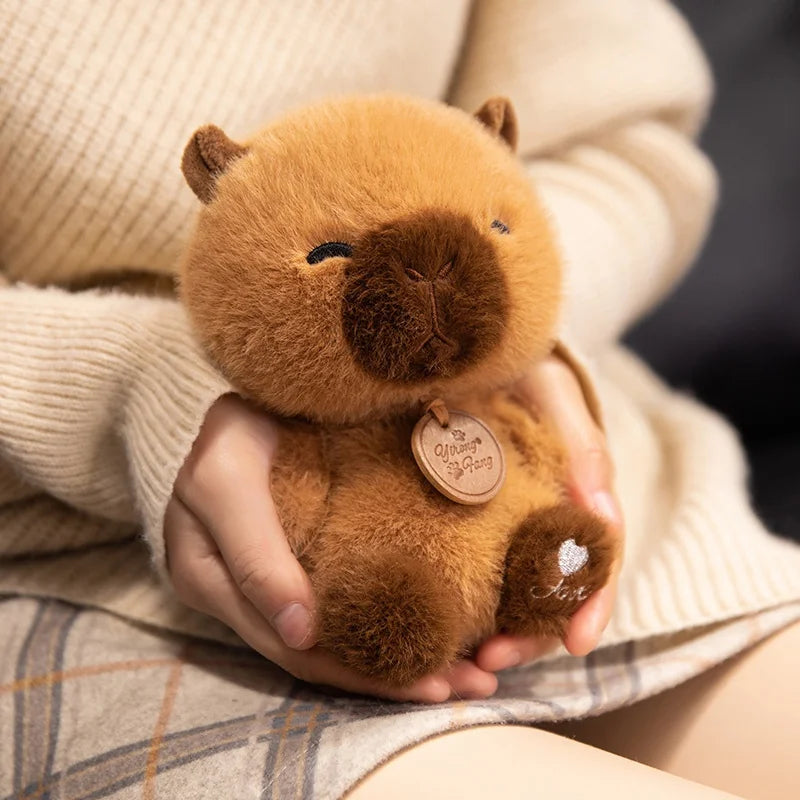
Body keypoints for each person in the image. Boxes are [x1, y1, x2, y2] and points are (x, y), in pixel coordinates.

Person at [1, 1, 798, 798]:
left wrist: (528, 331)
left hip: (624, 492)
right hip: (80, 565)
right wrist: (130, 387)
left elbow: (628, 140)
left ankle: (543, 559)